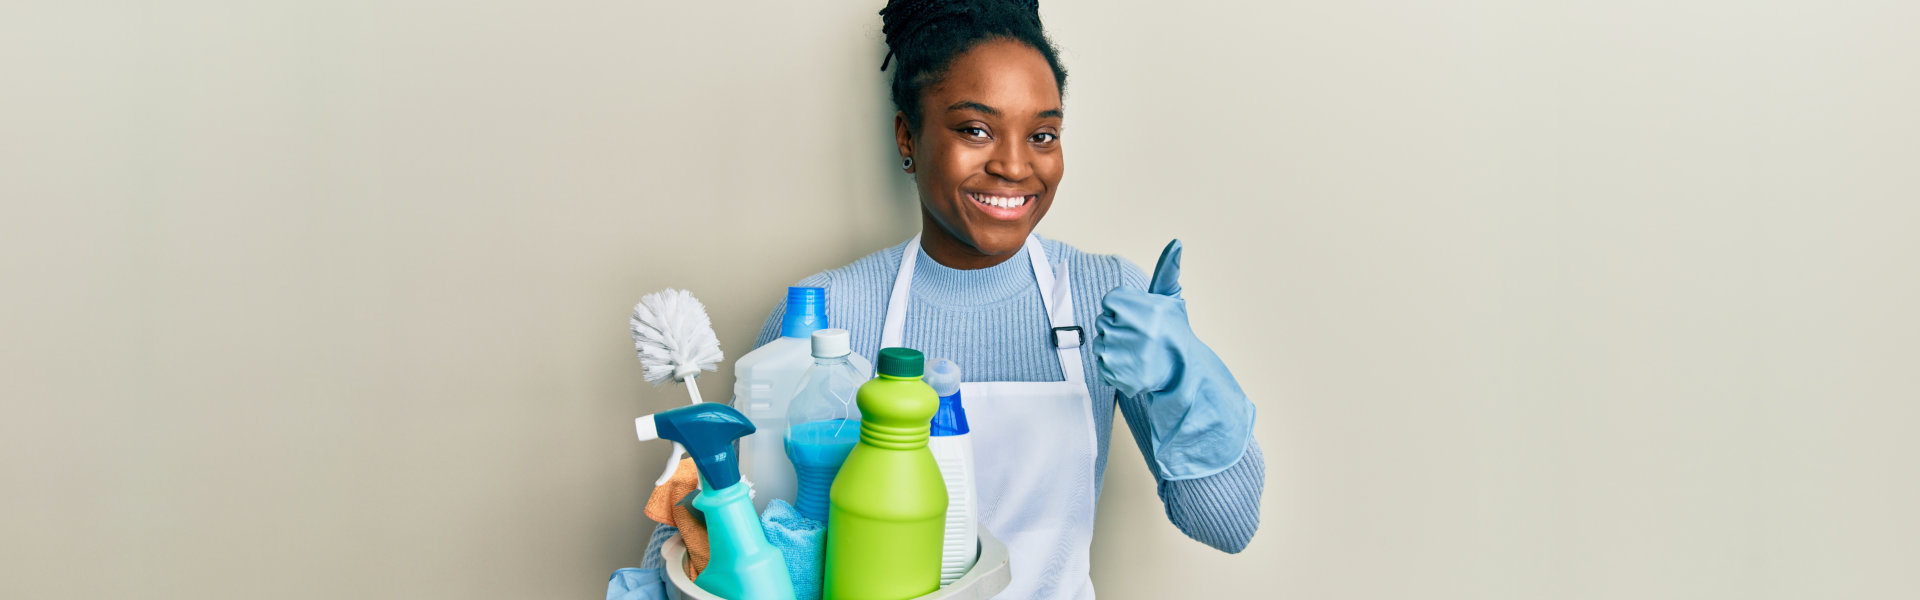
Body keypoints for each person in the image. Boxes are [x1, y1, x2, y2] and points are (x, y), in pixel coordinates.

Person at [640, 1, 1263, 597]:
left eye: (1043, 136)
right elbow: (718, 529)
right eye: (975, 129)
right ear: (907, 137)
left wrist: (1183, 381)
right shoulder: (825, 313)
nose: (1016, 166)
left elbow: (1227, 528)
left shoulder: (1108, 298)